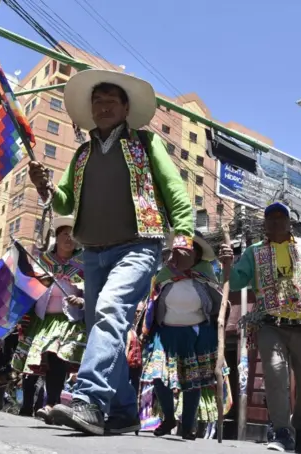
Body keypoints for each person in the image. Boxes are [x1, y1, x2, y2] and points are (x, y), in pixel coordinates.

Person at [28, 69, 194, 436]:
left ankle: (88, 400)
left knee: (110, 311)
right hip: (93, 251)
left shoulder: (146, 144)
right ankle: (122, 410)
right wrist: (44, 187)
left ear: (125, 108)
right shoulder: (83, 153)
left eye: (111, 101)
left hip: (138, 245)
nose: (103, 107)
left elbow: (174, 190)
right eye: (97, 102)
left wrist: (182, 233)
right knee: (104, 326)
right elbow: (65, 201)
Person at [219, 202, 301, 454]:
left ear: (289, 223)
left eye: (281, 217)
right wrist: (226, 264)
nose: (275, 222)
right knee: (275, 375)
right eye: (270, 218)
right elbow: (235, 282)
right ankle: (281, 431)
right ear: (265, 224)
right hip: (271, 324)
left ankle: (300, 425)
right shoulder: (254, 252)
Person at [138, 231, 222, 440]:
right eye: (177, 252)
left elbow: (219, 299)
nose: (179, 256)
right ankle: (168, 417)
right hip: (165, 332)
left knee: (192, 381)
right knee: (158, 377)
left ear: (196, 255)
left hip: (195, 332)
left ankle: (188, 424)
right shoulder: (164, 273)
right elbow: (152, 300)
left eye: (185, 252)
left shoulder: (206, 272)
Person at [11, 216, 86, 424]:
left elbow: (94, 290)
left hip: (68, 321)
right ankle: (31, 405)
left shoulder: (84, 263)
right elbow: (26, 286)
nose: (68, 238)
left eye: (73, 235)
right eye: (64, 233)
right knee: (37, 362)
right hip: (42, 320)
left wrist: (81, 299)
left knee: (57, 357)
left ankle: (52, 404)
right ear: (57, 236)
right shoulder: (42, 261)